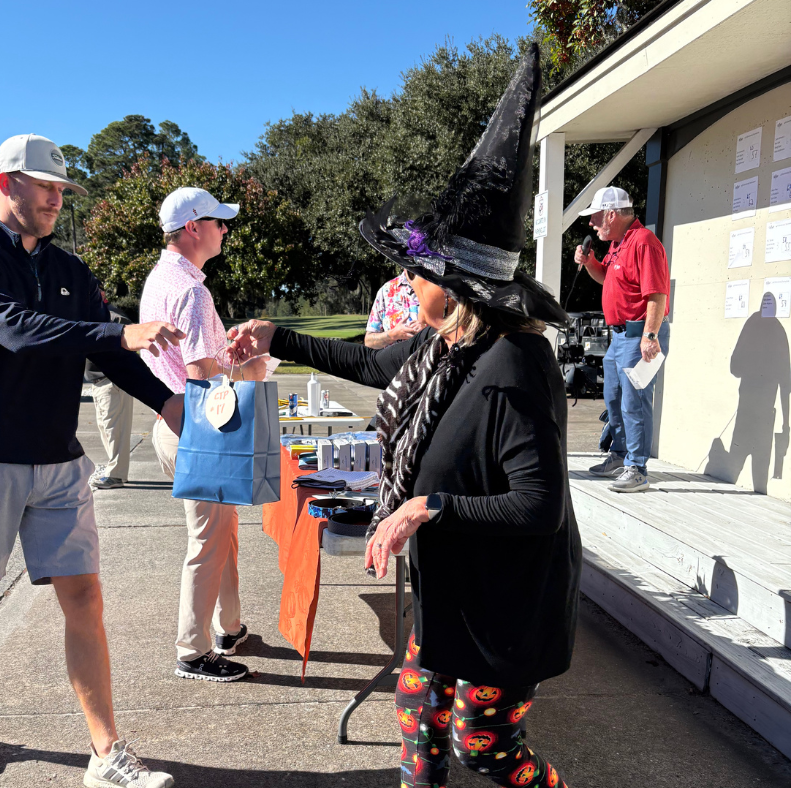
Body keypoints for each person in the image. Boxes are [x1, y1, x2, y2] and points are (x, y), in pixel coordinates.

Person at [231, 45, 577, 788]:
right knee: (419, 722)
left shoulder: (514, 365)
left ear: (459, 288)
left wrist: (425, 506)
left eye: (420, 272)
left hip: (505, 601)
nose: (409, 280)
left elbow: (539, 505)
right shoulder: (440, 348)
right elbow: (366, 364)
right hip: (451, 588)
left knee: (483, 747)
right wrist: (275, 336)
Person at [0, 133, 182, 788]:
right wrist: (119, 331)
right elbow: (17, 329)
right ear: (5, 183)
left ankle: (106, 752)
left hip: (58, 459)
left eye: (61, 189)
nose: (56, 199)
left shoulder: (70, 269)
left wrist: (167, 403)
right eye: (45, 186)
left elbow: (103, 353)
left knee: (85, 598)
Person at [139, 187, 265, 683]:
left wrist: (225, 353)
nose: (224, 229)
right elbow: (200, 374)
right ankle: (193, 652)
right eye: (218, 221)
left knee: (221, 533)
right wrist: (251, 368)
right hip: (199, 429)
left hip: (177, 425)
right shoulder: (191, 290)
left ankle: (227, 627)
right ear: (193, 227)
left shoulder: (162, 278)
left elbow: (193, 360)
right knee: (208, 541)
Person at [574, 186, 671, 493]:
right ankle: (619, 456)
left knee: (634, 402)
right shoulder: (619, 243)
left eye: (595, 216)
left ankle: (637, 468)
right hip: (620, 337)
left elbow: (657, 293)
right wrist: (591, 263)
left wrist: (650, 336)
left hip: (639, 333)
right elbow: (608, 278)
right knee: (614, 398)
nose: (592, 223)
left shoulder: (644, 242)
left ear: (611, 214)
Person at [85, 298, 134, 490]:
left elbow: (130, 332)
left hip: (111, 381)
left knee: (115, 431)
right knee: (107, 429)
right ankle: (116, 472)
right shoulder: (93, 313)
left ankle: (116, 475)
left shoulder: (111, 314)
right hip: (99, 381)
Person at [365, 270, 423, 348]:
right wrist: (393, 334)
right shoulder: (386, 290)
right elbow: (369, 342)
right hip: (394, 355)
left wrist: (428, 329)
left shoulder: (436, 288)